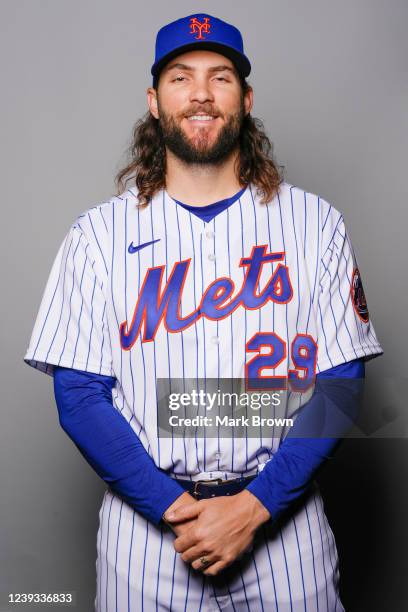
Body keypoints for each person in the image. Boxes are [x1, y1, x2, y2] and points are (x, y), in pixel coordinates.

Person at [24, 13, 383, 611]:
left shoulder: (315, 224)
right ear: (154, 99)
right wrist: (173, 507)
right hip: (146, 538)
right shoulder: (97, 236)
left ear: (244, 98)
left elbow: (341, 386)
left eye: (219, 78)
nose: (200, 94)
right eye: (180, 77)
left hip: (283, 531)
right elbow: (80, 394)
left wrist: (254, 508)